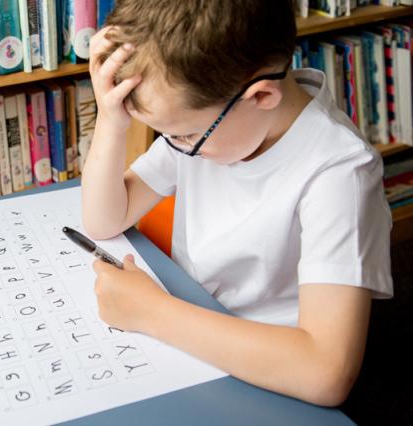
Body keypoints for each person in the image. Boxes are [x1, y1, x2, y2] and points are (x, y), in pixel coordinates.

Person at [81, 0, 393, 407]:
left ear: (261, 95)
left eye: (186, 136)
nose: (178, 148)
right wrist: (111, 119)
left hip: (268, 373)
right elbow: (104, 219)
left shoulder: (338, 174)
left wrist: (152, 313)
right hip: (197, 330)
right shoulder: (209, 119)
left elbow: (325, 373)